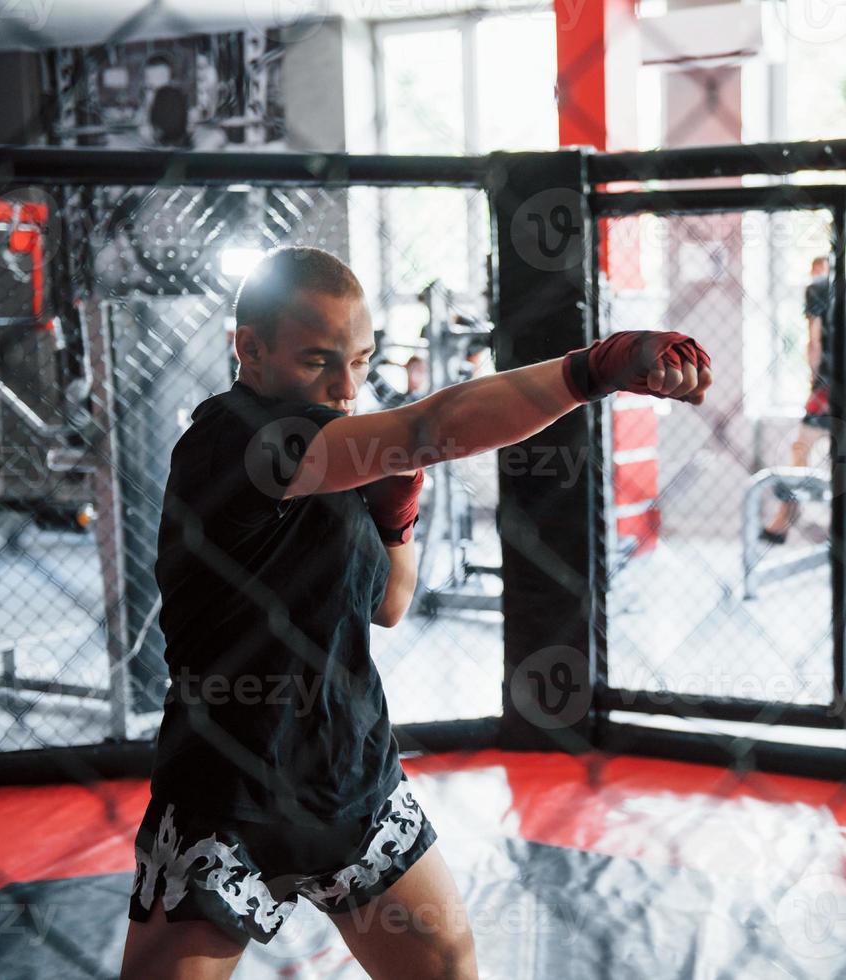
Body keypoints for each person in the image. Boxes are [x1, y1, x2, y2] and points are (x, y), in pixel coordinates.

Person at [120, 245, 711, 979]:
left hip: (350, 773)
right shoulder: (234, 439)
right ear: (250, 348)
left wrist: (397, 519)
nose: (346, 388)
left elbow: (391, 604)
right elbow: (430, 425)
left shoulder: (335, 447)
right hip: (229, 793)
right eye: (318, 362)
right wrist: (590, 369)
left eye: (362, 361)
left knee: (446, 966)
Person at [759, 254, 835, 543]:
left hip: (828, 386)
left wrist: (815, 380)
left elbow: (813, 341)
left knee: (801, 449)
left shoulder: (818, 289)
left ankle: (787, 514)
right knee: (843, 457)